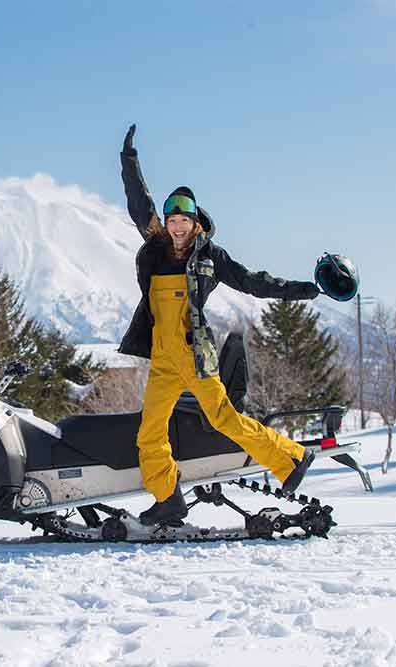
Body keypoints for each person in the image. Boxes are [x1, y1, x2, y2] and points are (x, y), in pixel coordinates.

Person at [118, 124, 321, 526]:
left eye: (183, 221)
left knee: (223, 418)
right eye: (172, 220)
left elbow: (252, 281)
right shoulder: (157, 247)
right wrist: (129, 161)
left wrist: (299, 290)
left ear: (195, 224)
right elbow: (139, 204)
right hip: (162, 359)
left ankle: (291, 457)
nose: (176, 227)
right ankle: (168, 499)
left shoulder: (210, 256)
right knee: (149, 434)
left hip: (195, 356)